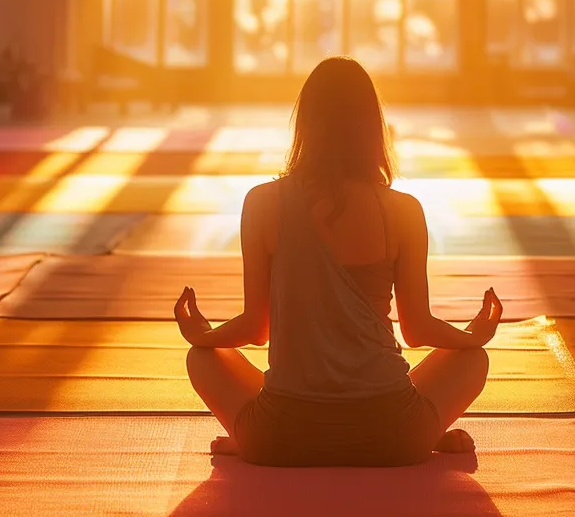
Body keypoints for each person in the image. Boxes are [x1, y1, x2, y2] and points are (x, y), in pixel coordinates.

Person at [175, 56, 502, 468]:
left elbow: (256, 330)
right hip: (395, 437)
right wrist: (475, 336)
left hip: (280, 440)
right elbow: (417, 330)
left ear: (305, 125)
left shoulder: (262, 202)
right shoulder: (403, 210)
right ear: (372, 127)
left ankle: (245, 434)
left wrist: (201, 335)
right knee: (473, 361)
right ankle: (429, 431)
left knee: (201, 359)